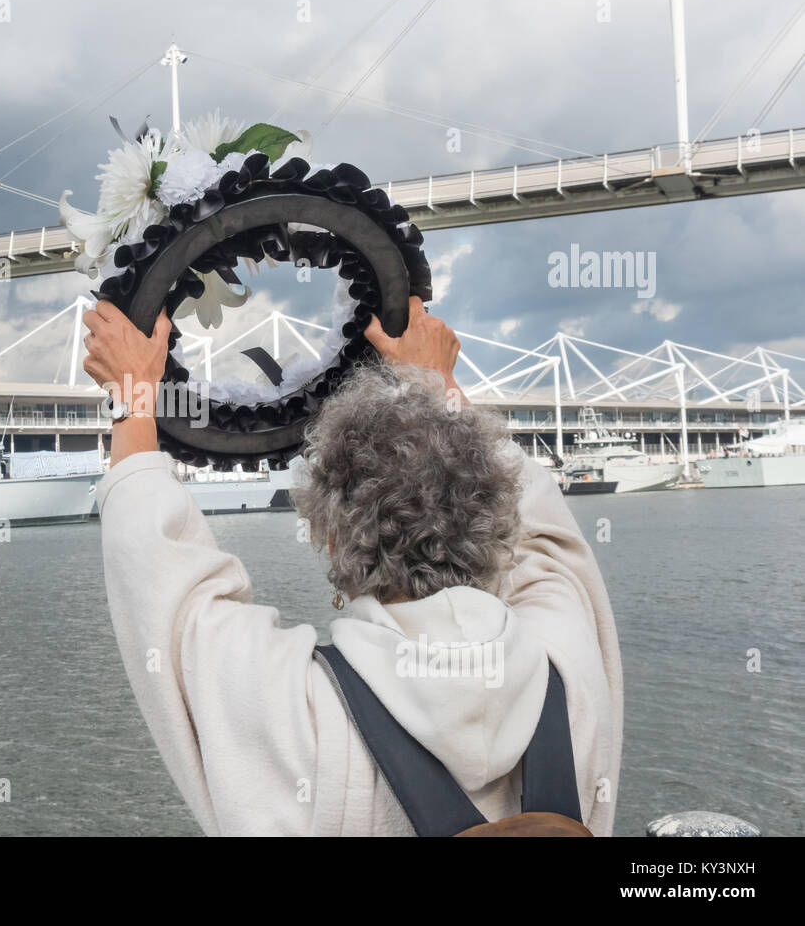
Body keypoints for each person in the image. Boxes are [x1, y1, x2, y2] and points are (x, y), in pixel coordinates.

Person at [82, 297, 623, 836]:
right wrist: (437, 377)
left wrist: (134, 393)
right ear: (495, 517)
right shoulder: (569, 663)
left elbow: (163, 583)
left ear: (333, 541)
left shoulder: (298, 714)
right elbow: (543, 526)